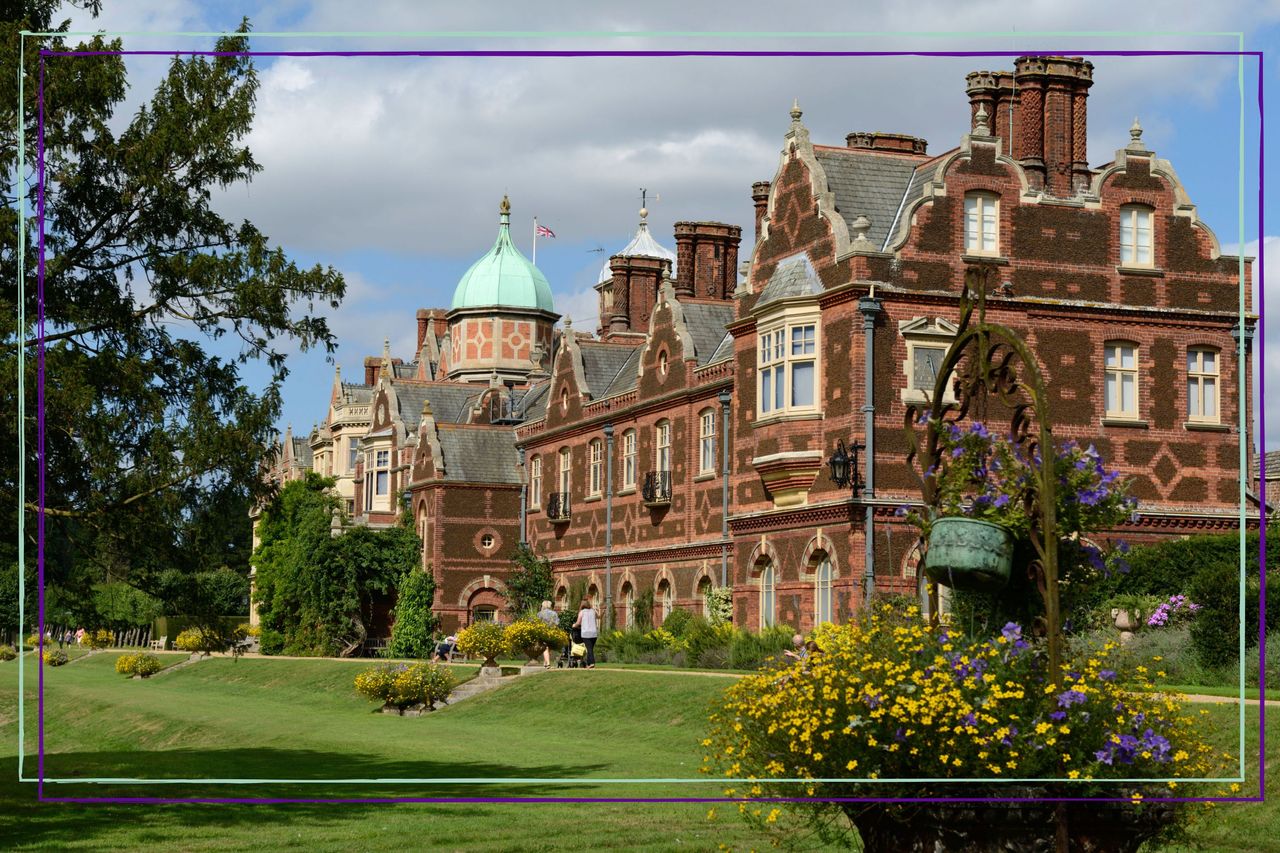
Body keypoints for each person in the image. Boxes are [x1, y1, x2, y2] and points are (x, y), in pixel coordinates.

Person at [572, 598, 599, 669]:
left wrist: (574, 625)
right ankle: (589, 664)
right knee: (590, 649)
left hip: (586, 633)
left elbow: (578, 623)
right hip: (594, 633)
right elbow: (599, 617)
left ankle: (592, 663)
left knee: (589, 649)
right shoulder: (593, 611)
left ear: (582, 605)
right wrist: (603, 612)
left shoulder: (582, 612)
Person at [536, 600, 559, 669]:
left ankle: (547, 663)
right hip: (552, 632)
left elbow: (537, 623)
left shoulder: (539, 614)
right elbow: (557, 623)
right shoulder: (554, 613)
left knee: (545, 647)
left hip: (543, 631)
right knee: (548, 647)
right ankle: (546, 663)